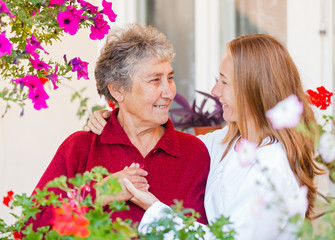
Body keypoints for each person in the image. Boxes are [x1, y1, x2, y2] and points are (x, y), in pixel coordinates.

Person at [87, 34, 321, 239]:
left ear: (254, 89)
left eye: (225, 82)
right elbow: (171, 144)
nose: (215, 91)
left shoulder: (271, 168)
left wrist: (153, 208)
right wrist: (115, 116)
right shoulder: (226, 143)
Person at [29, 23, 210, 230]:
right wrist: (100, 193)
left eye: (170, 78)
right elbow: (32, 228)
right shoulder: (81, 148)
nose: (169, 92)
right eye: (154, 80)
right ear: (117, 90)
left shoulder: (195, 152)